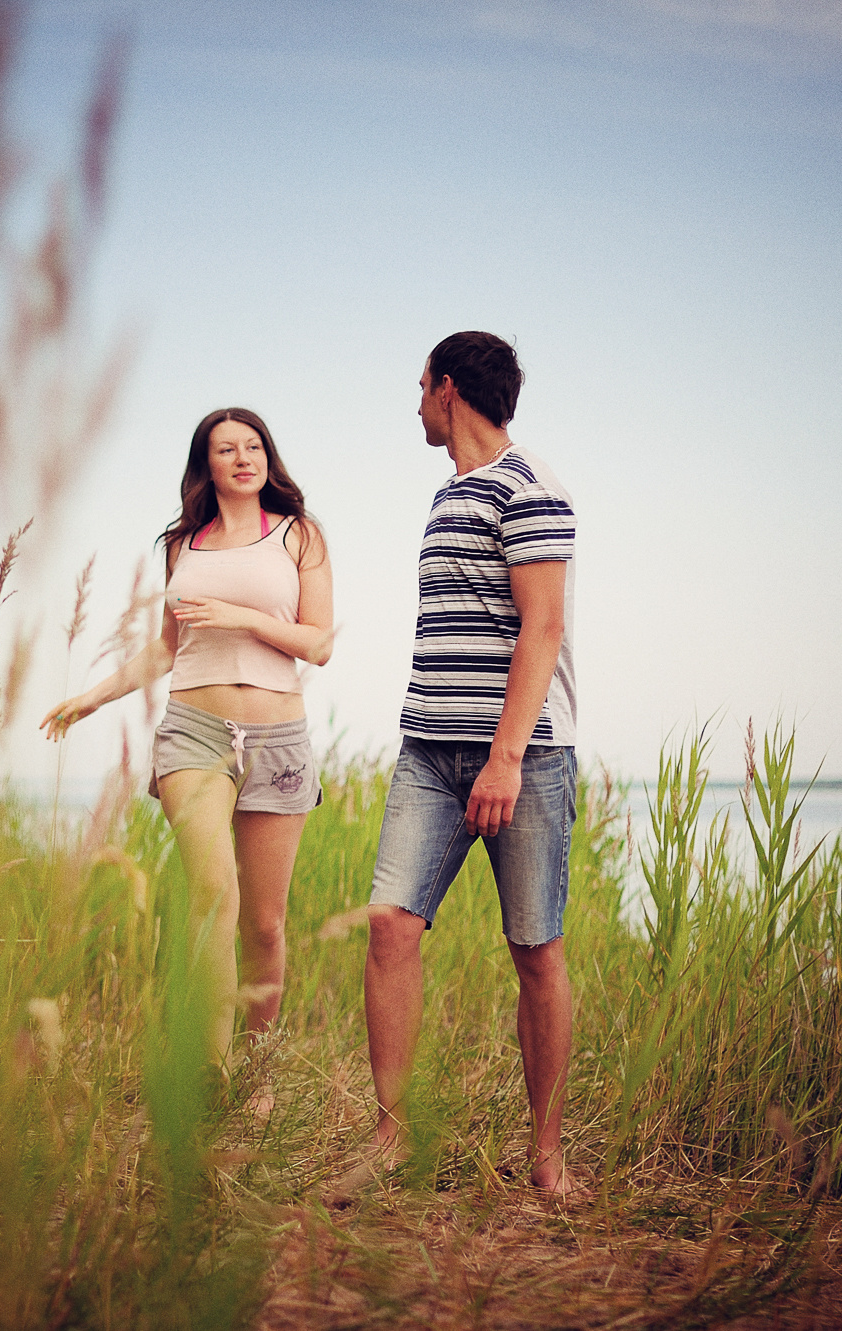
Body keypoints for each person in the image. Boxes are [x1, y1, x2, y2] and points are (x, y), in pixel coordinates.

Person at [347, 331, 578, 1197]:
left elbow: (543, 627)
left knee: (535, 949)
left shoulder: (529, 486)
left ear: (449, 388)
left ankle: (547, 1158)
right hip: (426, 753)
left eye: (421, 387)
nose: (415, 405)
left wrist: (504, 759)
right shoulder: (449, 493)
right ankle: (391, 1138)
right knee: (390, 926)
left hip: (521, 759)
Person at [41, 407, 333, 1066]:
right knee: (212, 893)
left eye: (253, 446)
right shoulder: (182, 545)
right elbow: (167, 649)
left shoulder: (299, 535)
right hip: (193, 733)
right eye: (226, 449)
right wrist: (91, 697)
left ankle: (255, 1068)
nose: (242, 457)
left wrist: (240, 616)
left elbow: (318, 643)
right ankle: (211, 1069)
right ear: (207, 464)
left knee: (265, 924)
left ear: (268, 457)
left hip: (277, 739)